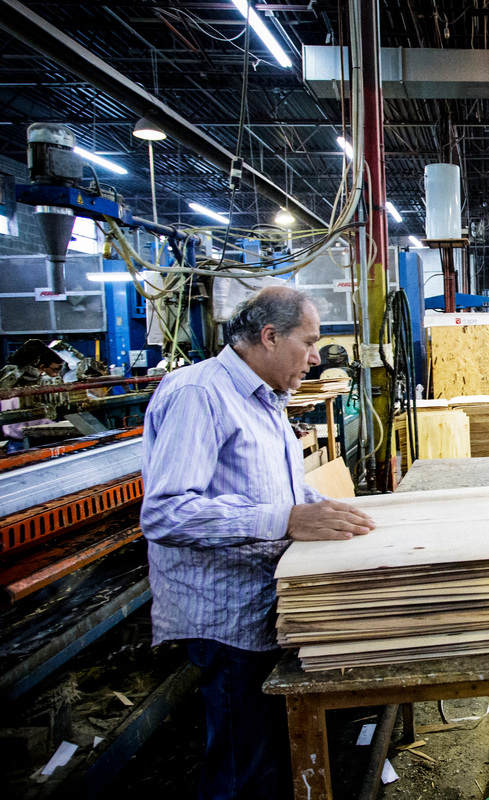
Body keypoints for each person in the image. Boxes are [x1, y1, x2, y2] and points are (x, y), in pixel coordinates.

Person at [140, 286, 376, 800]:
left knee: (267, 750)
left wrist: (336, 511)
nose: (317, 358)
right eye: (309, 342)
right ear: (269, 337)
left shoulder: (266, 398)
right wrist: (288, 519)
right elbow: (166, 512)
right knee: (240, 769)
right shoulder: (199, 394)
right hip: (226, 615)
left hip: (266, 600)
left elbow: (276, 486)